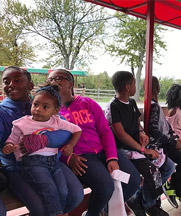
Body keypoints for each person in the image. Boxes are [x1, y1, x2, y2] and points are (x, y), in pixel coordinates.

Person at [46, 69, 141, 216]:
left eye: (58, 78)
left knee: (133, 180)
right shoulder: (50, 111)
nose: (53, 82)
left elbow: (105, 131)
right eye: (50, 79)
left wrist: (112, 157)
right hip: (82, 157)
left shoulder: (87, 103)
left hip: (104, 151)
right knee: (105, 186)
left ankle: (106, 209)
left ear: (71, 83)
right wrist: (68, 158)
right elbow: (49, 142)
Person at [0, 66, 83, 216]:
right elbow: (8, 143)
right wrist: (8, 147)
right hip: (18, 166)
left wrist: (45, 139)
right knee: (41, 207)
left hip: (51, 160)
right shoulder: (3, 112)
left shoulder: (44, 100)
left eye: (17, 80)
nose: (11, 84)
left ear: (30, 86)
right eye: (6, 81)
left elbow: (66, 131)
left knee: (75, 195)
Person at [107, 71, 175, 216]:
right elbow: (121, 135)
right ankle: (149, 205)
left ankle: (142, 200)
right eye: (134, 84)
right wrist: (143, 150)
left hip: (137, 145)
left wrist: (141, 132)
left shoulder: (131, 102)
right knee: (153, 171)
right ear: (127, 87)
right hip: (124, 149)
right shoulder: (114, 106)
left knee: (168, 166)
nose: (135, 87)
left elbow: (137, 123)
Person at [149, 76, 181, 207]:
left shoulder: (155, 105)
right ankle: (178, 190)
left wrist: (177, 139)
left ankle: (175, 186)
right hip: (162, 145)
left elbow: (167, 127)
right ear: (157, 88)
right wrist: (174, 142)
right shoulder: (154, 106)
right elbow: (155, 132)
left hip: (170, 141)